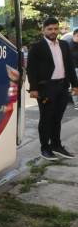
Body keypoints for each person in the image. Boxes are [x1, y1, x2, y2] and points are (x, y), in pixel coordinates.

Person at [27, 16, 78, 159]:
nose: (53, 31)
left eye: (55, 28)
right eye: (50, 29)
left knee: (57, 118)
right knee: (46, 119)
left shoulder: (63, 45)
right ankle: (45, 147)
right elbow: (31, 69)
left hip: (62, 87)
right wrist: (33, 89)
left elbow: (69, 66)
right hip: (46, 89)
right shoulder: (37, 47)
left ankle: (56, 145)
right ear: (43, 30)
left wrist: (75, 85)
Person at [61, 28, 78, 110]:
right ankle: (76, 104)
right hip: (73, 69)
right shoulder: (68, 45)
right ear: (74, 35)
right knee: (75, 86)